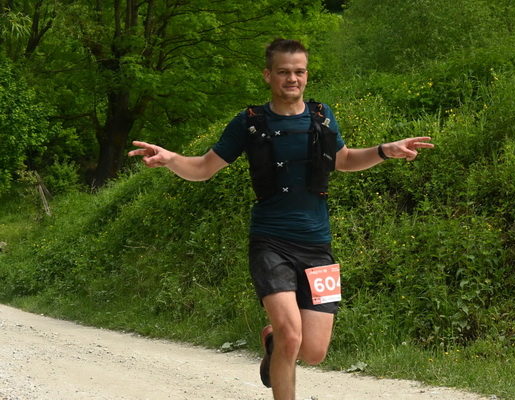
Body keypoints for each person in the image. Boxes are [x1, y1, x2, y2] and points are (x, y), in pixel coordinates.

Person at [128, 38, 434, 400]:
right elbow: (203, 168)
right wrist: (171, 158)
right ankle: (281, 342)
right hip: (270, 243)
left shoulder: (322, 115)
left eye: (299, 71)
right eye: (284, 71)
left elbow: (345, 159)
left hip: (318, 246)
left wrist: (384, 150)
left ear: (306, 75)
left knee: (314, 352)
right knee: (292, 335)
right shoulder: (250, 122)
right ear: (268, 75)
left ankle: (272, 341)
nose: (292, 78)